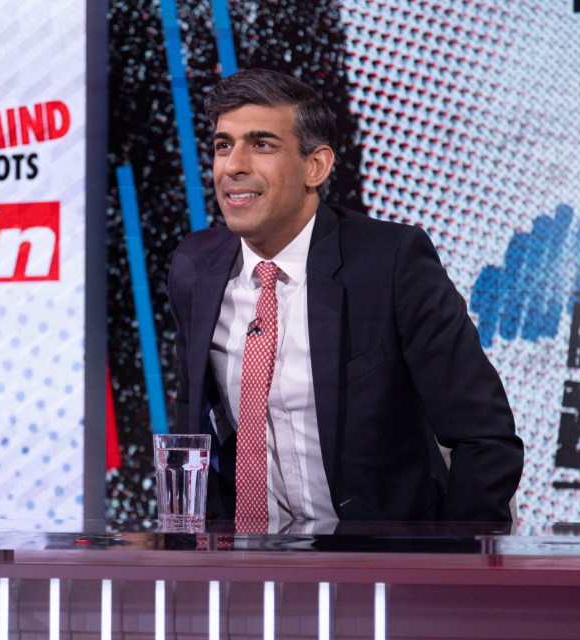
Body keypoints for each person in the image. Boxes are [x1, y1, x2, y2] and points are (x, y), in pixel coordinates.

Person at [168, 68, 523, 526]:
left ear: (315, 166)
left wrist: (452, 566)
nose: (233, 166)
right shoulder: (196, 268)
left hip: (383, 560)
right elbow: (190, 428)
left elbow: (485, 437)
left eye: (261, 144)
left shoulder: (391, 263)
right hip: (251, 557)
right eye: (223, 145)